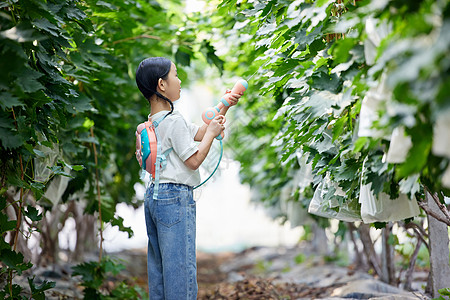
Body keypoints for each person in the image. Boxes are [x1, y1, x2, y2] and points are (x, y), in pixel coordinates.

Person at [135, 57, 242, 300]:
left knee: (160, 270)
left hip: (154, 196)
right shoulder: (174, 122)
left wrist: (224, 104)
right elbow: (194, 160)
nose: (179, 80)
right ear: (162, 85)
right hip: (174, 199)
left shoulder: (149, 125)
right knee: (180, 273)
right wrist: (213, 134)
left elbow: (201, 132)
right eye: (175, 74)